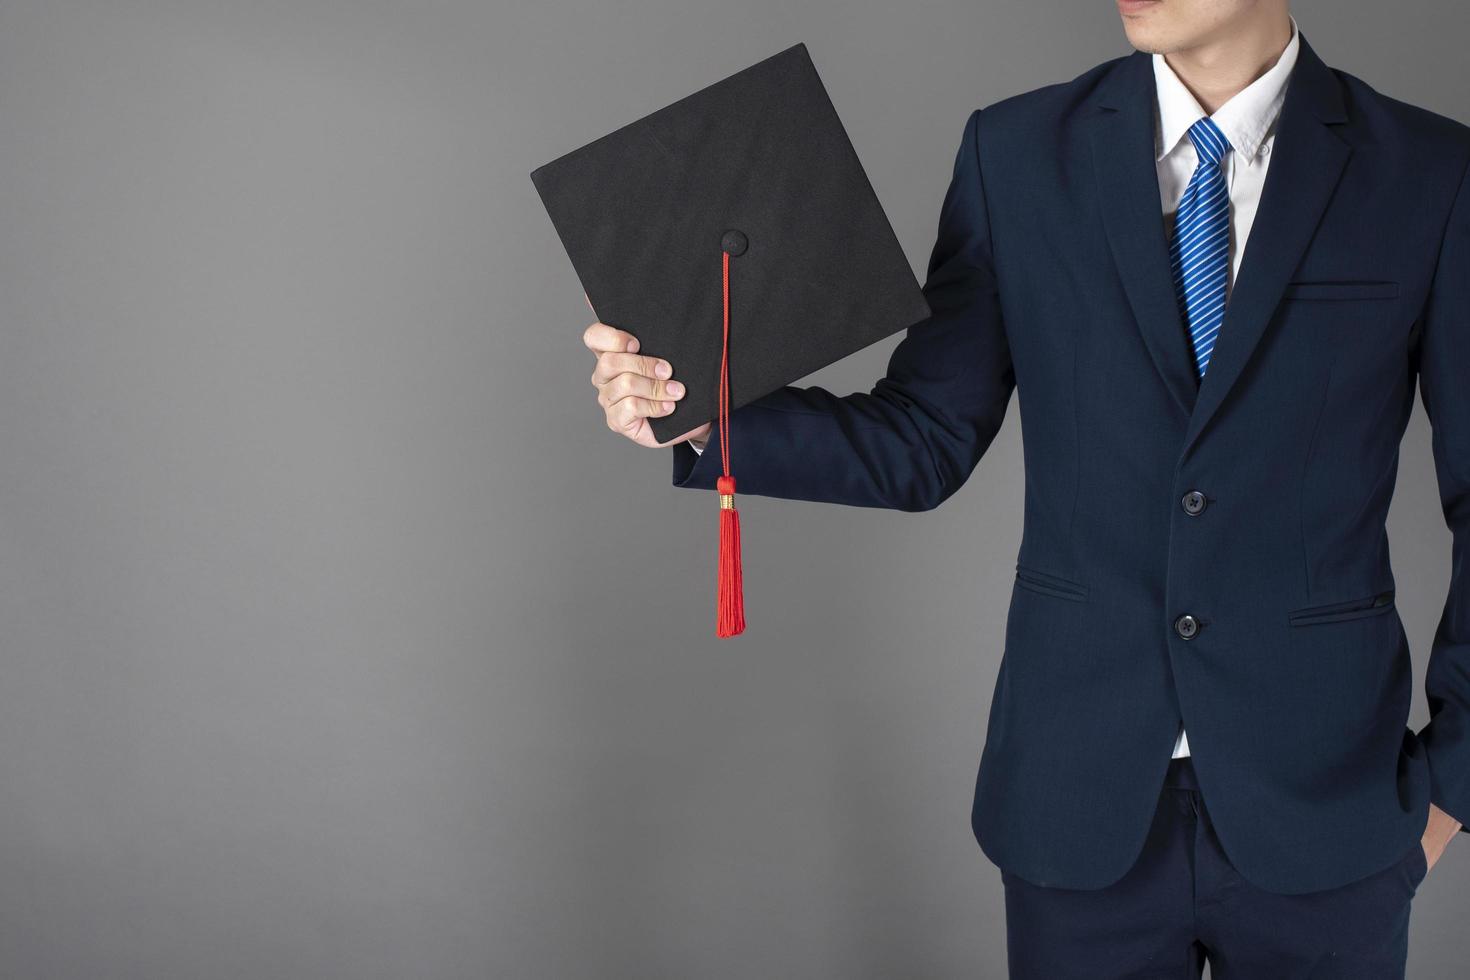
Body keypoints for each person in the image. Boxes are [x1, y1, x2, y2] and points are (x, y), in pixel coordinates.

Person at [581, 2, 1467, 975]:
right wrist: (714, 421)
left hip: (1332, 810)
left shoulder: (1427, 172)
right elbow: (922, 438)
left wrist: (1450, 791)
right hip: (1077, 802)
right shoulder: (1017, 153)